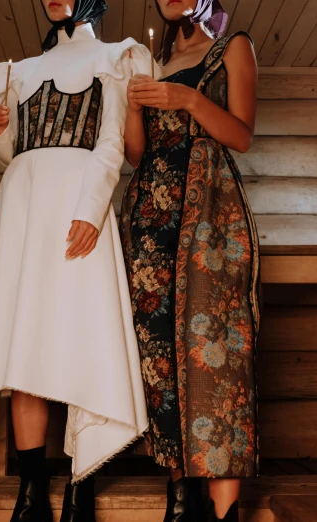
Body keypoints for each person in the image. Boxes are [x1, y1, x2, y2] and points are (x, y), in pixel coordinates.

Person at [0, 1, 152, 520]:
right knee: (25, 345)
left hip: (80, 202)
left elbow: (112, 142)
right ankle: (32, 491)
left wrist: (92, 209)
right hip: (22, 206)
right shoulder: (18, 71)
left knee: (83, 336)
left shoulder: (117, 57)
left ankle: (83, 483)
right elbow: (15, 152)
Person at [119, 1, 260, 521]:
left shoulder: (232, 46)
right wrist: (134, 107)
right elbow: (137, 155)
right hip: (148, 218)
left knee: (215, 351)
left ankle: (223, 514)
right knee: (157, 356)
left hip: (208, 214)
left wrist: (189, 100)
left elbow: (242, 135)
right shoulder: (152, 61)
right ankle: (179, 500)